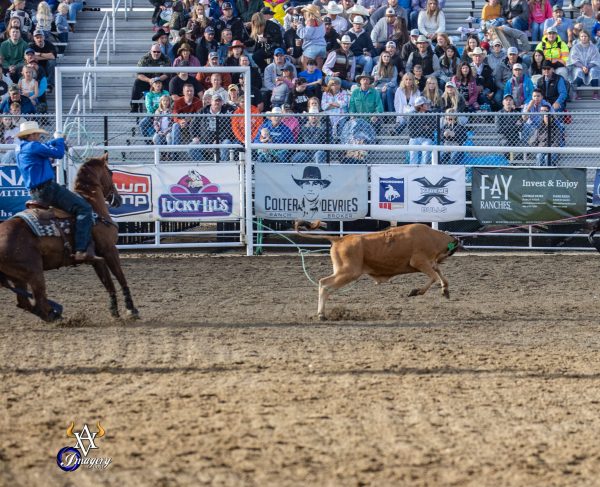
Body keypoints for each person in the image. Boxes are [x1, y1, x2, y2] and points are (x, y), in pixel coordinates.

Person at [15, 121, 100, 263]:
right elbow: (59, 154)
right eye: (37, 134)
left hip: (35, 192)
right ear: (31, 135)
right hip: (47, 189)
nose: (38, 136)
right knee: (84, 208)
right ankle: (80, 249)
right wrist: (60, 139)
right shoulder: (34, 146)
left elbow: (45, 146)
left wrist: (56, 140)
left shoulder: (21, 148)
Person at [568, 29, 600, 99]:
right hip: (579, 66)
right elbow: (574, 60)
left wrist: (588, 67)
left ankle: (595, 93)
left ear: (588, 37)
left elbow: (595, 59)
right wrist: (582, 67)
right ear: (579, 38)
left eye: (585, 36)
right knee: (579, 72)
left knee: (594, 71)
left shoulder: (593, 47)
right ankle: (577, 93)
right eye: (582, 36)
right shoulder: (575, 47)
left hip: (591, 66)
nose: (583, 38)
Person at [407, 95, 435, 164]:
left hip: (427, 138)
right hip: (415, 138)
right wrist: (423, 128)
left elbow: (432, 128)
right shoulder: (412, 115)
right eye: (425, 104)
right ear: (420, 106)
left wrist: (419, 129)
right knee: (413, 150)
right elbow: (411, 131)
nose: (427, 105)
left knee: (426, 150)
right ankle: (413, 169)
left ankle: (423, 169)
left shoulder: (430, 114)